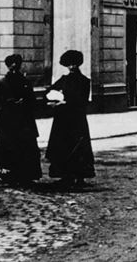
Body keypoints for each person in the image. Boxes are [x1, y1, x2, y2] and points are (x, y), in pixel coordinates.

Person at [46, 50, 95, 190]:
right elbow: (50, 90)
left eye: (74, 64)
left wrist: (65, 103)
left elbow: (82, 101)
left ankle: (80, 177)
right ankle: (66, 176)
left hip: (77, 119)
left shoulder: (84, 81)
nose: (72, 67)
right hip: (63, 119)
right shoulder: (64, 79)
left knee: (78, 147)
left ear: (78, 64)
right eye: (69, 64)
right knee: (64, 147)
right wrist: (53, 98)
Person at [0, 54, 42, 185]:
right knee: (8, 146)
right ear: (8, 66)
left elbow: (32, 101)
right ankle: (8, 174)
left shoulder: (26, 82)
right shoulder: (2, 83)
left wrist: (24, 102)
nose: (14, 66)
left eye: (16, 64)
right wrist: (10, 102)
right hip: (8, 120)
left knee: (24, 147)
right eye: (11, 64)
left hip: (23, 120)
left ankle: (25, 174)